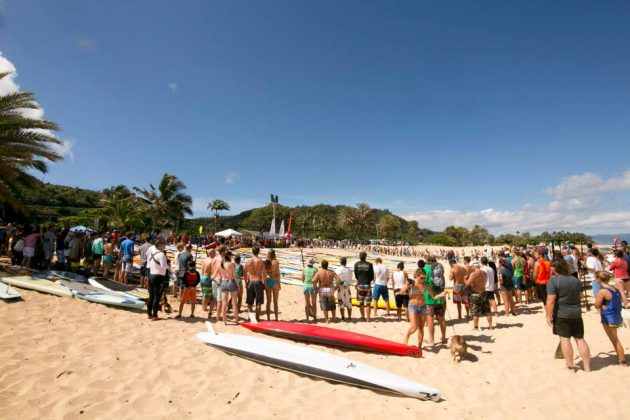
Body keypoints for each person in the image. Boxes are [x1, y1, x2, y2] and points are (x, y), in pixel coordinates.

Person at [545, 256, 591, 372]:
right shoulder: (576, 280)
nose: (550, 269)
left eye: (551, 267)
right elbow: (580, 296)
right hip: (576, 313)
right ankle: (587, 367)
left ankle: (570, 366)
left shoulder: (553, 281)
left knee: (565, 339)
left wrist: (548, 315)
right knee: (580, 339)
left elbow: (551, 300)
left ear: (555, 268)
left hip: (561, 314)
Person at [593, 271, 627, 366]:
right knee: (615, 338)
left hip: (609, 317)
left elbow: (597, 305)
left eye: (596, 278)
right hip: (616, 315)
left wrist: (598, 305)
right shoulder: (614, 288)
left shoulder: (602, 291)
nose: (595, 280)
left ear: (599, 280)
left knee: (614, 340)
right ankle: (621, 358)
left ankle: (622, 360)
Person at [402, 269, 428, 348]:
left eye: (424, 278)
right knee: (414, 327)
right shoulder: (412, 283)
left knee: (421, 328)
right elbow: (401, 291)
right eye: (421, 278)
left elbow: (432, 294)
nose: (423, 279)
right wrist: (407, 285)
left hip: (423, 306)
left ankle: (419, 346)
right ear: (417, 276)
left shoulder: (425, 284)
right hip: (413, 306)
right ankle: (407, 335)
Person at [423, 259, 446, 345]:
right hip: (440, 296)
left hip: (429, 298)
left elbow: (424, 283)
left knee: (430, 318)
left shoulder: (425, 269)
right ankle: (443, 338)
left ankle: (431, 340)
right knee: (441, 318)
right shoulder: (439, 267)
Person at [466, 262, 492, 330]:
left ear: (473, 267)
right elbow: (485, 282)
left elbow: (468, 284)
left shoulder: (473, 274)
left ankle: (475, 327)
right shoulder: (484, 273)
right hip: (483, 292)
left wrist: (465, 279)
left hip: (475, 293)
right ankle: (490, 326)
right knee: (487, 311)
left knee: (475, 312)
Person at [146, 239, 168, 321]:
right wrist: (168, 266)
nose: (164, 246)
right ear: (159, 245)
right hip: (158, 276)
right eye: (163, 244)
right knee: (157, 297)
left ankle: (149, 314)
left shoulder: (153, 253)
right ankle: (155, 315)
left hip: (151, 275)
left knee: (151, 296)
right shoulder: (161, 254)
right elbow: (163, 266)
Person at [312, 260, 340, 324]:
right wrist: (336, 287)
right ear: (327, 265)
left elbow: (313, 281)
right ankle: (334, 318)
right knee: (332, 304)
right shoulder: (331, 272)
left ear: (321, 265)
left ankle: (327, 320)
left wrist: (316, 288)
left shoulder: (319, 272)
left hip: (322, 289)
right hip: (330, 289)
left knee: (324, 304)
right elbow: (338, 279)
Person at [244, 247, 266, 321]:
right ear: (258, 252)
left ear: (252, 252)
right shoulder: (260, 261)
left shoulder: (248, 261)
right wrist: (264, 283)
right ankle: (257, 319)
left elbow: (244, 272)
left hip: (250, 281)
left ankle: (250, 318)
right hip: (258, 281)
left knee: (250, 303)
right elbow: (264, 274)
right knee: (258, 302)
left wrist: (246, 282)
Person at [218, 250, 240, 325]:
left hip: (224, 282)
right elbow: (234, 276)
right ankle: (236, 320)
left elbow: (220, 276)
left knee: (224, 303)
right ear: (229, 256)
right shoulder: (231, 264)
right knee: (234, 303)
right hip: (231, 281)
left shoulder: (220, 264)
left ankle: (225, 321)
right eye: (231, 256)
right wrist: (238, 285)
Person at [354, 252, 375, 321]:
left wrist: (359, 280)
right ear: (366, 257)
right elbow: (372, 276)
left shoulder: (356, 264)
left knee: (361, 303)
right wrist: (368, 281)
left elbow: (356, 275)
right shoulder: (370, 264)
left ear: (359, 256)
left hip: (360, 284)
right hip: (367, 284)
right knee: (368, 303)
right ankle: (368, 318)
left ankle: (363, 317)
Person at [335, 256, 353, 321]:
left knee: (341, 302)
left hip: (340, 288)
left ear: (340, 262)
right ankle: (349, 317)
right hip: (347, 287)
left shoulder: (337, 270)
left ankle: (343, 317)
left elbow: (336, 280)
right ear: (346, 262)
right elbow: (350, 280)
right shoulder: (349, 270)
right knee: (349, 303)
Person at [265, 249, 281, 321]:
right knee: (275, 301)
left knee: (268, 301)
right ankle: (276, 318)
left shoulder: (266, 262)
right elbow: (278, 274)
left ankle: (268, 318)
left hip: (268, 280)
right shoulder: (276, 262)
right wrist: (279, 283)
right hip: (274, 281)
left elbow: (264, 273)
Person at [200, 248, 215, 313]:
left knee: (204, 294)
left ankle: (204, 307)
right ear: (211, 253)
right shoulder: (212, 260)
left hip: (202, 277)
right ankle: (204, 308)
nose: (215, 254)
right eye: (214, 253)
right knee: (207, 295)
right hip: (207, 278)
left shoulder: (204, 260)